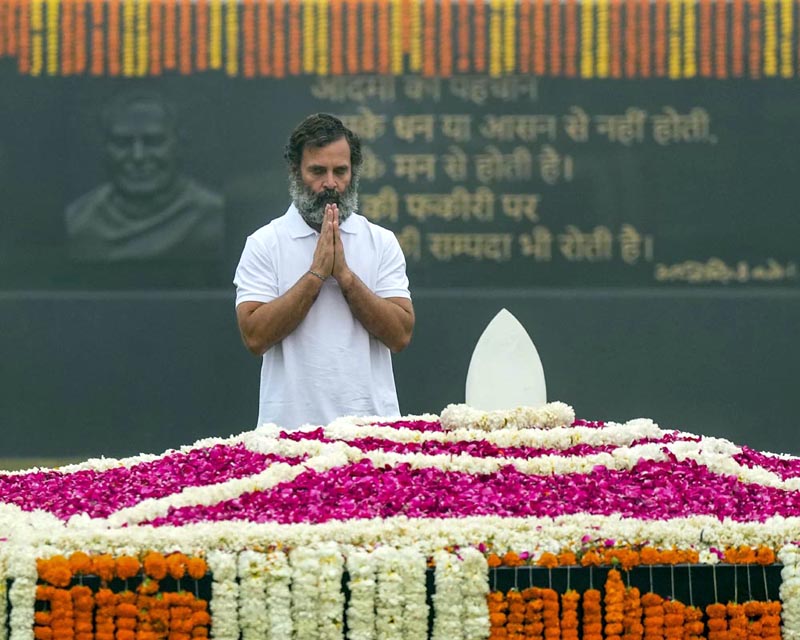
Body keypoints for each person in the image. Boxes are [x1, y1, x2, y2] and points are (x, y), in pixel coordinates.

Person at [233, 113, 414, 430]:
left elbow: (400, 335)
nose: (330, 184)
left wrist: (344, 277)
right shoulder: (264, 243)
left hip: (372, 435)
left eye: (340, 171)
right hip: (287, 437)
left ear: (352, 173)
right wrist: (316, 275)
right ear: (295, 171)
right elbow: (254, 336)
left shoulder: (381, 242)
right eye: (318, 171)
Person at [65, 90, 225, 262]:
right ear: (104, 149)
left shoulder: (213, 216)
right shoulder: (77, 221)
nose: (138, 156)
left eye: (153, 142)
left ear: (178, 145)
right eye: (122, 143)